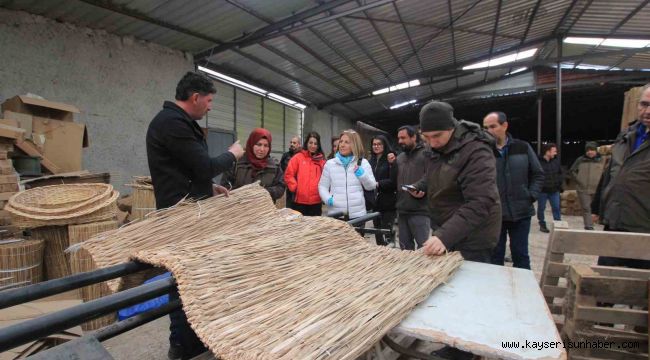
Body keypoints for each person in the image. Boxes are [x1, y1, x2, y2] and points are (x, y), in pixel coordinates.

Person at [146, 71, 244, 360]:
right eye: (210, 100)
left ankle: (196, 339)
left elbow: (187, 170)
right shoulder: (172, 123)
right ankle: (182, 346)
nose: (211, 106)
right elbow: (204, 165)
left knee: (197, 281)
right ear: (195, 97)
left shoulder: (178, 122)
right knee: (184, 284)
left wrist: (207, 188)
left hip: (191, 211)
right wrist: (233, 154)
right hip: (180, 220)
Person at [410, 101, 501, 261]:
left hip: (473, 237)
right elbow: (438, 174)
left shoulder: (476, 151)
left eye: (437, 136)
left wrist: (444, 236)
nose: (432, 143)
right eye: (426, 137)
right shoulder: (436, 147)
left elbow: (480, 201)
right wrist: (421, 186)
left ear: (451, 128)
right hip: (446, 228)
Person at [592, 83, 650, 269]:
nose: (647, 111)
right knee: (604, 285)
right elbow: (610, 172)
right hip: (615, 224)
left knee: (639, 290)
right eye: (644, 104)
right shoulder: (625, 136)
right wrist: (596, 207)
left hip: (644, 230)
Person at [319, 129, 377, 219]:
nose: (342, 144)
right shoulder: (330, 164)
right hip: (336, 214)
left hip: (358, 215)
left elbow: (371, 186)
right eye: (341, 141)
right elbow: (322, 186)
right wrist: (327, 199)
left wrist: (363, 176)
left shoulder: (363, 163)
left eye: (347, 142)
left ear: (355, 144)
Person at [218, 128, 285, 202]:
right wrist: (243, 194)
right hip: (239, 208)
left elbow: (280, 187)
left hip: (264, 209)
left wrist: (263, 192)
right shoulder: (237, 163)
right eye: (259, 144)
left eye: (266, 145)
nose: (262, 149)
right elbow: (225, 185)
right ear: (251, 144)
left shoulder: (274, 166)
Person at [391, 125, 430, 250]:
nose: (400, 141)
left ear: (414, 137)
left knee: (424, 249)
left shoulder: (426, 154)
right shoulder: (400, 158)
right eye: (399, 138)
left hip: (420, 209)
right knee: (405, 249)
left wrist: (421, 188)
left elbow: (432, 176)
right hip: (402, 210)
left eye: (403, 138)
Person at [284, 132, 326, 216]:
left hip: (316, 202)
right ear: (306, 143)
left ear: (318, 146)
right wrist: (295, 188)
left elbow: (326, 178)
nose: (313, 146)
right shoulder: (298, 157)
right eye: (310, 143)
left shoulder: (322, 161)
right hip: (299, 202)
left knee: (315, 227)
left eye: (315, 143)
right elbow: (289, 174)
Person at [569, 141, 605, 230]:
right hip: (583, 188)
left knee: (596, 207)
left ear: (596, 151)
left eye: (592, 150)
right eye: (588, 150)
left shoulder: (602, 160)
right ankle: (589, 225)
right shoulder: (580, 160)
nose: (590, 152)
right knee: (586, 207)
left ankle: (597, 222)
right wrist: (579, 180)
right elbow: (572, 170)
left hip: (597, 189)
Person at [368, 134, 397, 246]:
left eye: (379, 144)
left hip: (388, 202)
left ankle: (391, 254)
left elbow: (393, 181)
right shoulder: (371, 161)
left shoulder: (390, 159)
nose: (376, 146)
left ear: (385, 145)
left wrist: (378, 184)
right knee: (377, 232)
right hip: (375, 202)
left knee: (387, 231)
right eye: (374, 144)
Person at [537, 143, 563, 233]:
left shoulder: (556, 161)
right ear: (547, 151)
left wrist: (560, 184)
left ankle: (558, 225)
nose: (555, 153)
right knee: (541, 208)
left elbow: (560, 173)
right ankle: (542, 224)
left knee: (556, 207)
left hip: (554, 190)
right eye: (554, 151)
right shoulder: (538, 162)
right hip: (542, 191)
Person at [280, 135, 301, 208]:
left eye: (294, 143)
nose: (292, 144)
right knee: (289, 206)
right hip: (289, 186)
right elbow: (281, 169)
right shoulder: (285, 155)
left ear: (299, 145)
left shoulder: (302, 156)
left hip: (299, 187)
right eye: (291, 142)